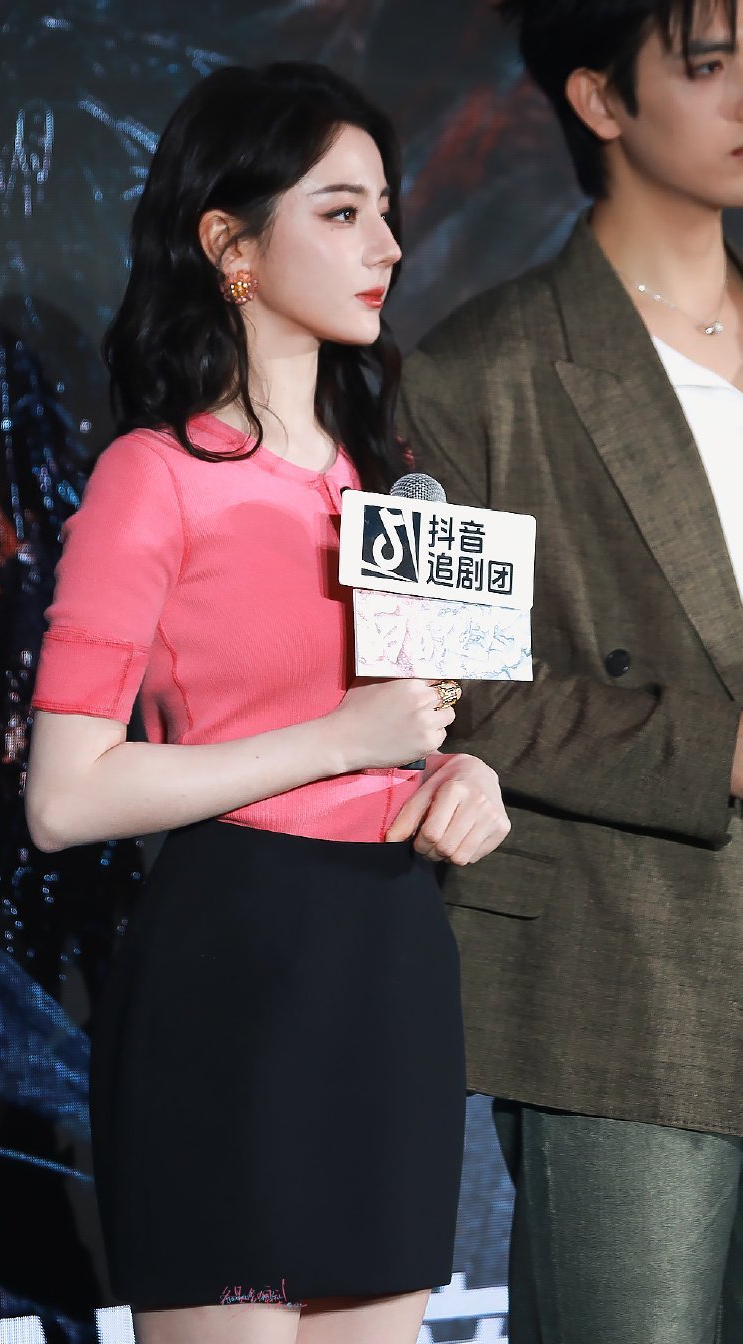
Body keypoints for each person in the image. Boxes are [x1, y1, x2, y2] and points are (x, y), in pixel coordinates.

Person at [24, 60, 510, 1344]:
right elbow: (66, 796)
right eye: (341, 212)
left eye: (387, 211)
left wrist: (457, 776)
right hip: (236, 971)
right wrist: (340, 740)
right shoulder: (156, 478)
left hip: (393, 965)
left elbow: (416, 725)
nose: (387, 246)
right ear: (229, 246)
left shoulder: (393, 484)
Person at [397, 3, 743, 1342]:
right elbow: (445, 687)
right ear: (601, 100)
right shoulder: (477, 373)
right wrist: (714, 749)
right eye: (709, 66)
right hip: (627, 980)